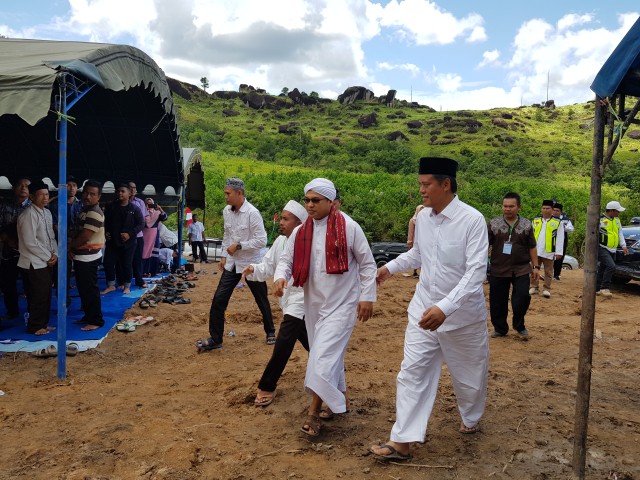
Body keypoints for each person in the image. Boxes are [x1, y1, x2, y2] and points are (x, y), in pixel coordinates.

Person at [370, 157, 489, 462]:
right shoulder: (423, 217)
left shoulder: (472, 221)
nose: (421, 190)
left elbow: (475, 273)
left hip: (462, 319)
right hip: (423, 311)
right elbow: (418, 254)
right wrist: (390, 268)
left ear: (445, 184)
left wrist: (446, 308)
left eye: (426, 184)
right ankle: (403, 442)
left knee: (469, 380)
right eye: (420, 184)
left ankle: (471, 417)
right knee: (411, 373)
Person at [274, 178, 376, 437]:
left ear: (331, 202)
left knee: (321, 358)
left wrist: (367, 296)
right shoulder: (300, 232)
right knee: (330, 355)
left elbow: (366, 264)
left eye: (316, 200)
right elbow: (286, 259)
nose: (309, 205)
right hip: (314, 304)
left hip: (343, 304)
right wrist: (279, 277)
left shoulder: (350, 228)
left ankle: (313, 413)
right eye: (307, 200)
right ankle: (338, 398)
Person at [242, 200, 309, 408]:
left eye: (285, 219)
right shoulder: (281, 241)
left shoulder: (309, 242)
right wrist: (254, 269)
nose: (281, 222)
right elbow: (270, 264)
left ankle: (267, 385)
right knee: (311, 343)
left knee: (284, 340)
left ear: (299, 223)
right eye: (281, 218)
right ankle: (332, 368)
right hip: (288, 300)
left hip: (303, 299)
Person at [195, 178, 275, 351]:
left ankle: (270, 331)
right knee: (219, 300)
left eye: (228, 193)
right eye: (225, 193)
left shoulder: (253, 213)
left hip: (251, 263)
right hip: (233, 263)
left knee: (261, 299)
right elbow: (227, 234)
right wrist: (224, 255)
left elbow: (261, 240)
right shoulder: (226, 211)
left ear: (239, 193)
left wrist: (239, 246)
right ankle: (216, 338)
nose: (225, 197)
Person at [488, 192, 539, 338]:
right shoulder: (493, 224)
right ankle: (500, 328)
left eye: (511, 206)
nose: (507, 209)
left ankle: (519, 325)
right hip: (498, 268)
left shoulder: (527, 225)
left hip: (521, 268)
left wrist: (535, 267)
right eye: (505, 206)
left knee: (522, 298)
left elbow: (532, 246)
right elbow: (484, 245)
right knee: (497, 301)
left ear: (519, 207)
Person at [17, 180, 58, 335]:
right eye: (41, 195)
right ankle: (35, 326)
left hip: (46, 259)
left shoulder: (46, 212)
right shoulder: (28, 214)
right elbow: (30, 242)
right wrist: (48, 256)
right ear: (33, 197)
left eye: (47, 194)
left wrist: (55, 254)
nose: (45, 197)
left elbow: (51, 237)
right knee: (38, 294)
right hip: (34, 261)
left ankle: (43, 323)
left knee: (46, 292)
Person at [68, 180, 105, 331]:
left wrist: (68, 247)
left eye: (92, 194)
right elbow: (77, 231)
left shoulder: (94, 212)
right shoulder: (85, 209)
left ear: (99, 197)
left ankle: (96, 320)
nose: (88, 196)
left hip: (88, 257)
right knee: (83, 288)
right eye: (86, 193)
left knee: (90, 289)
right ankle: (88, 316)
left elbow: (84, 236)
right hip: (81, 255)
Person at [101, 183, 144, 295]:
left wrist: (130, 234)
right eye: (118, 191)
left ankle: (127, 286)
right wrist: (106, 232)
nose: (120, 193)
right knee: (108, 263)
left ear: (129, 193)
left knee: (127, 264)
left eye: (122, 191)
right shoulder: (111, 207)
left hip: (129, 243)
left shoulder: (135, 208)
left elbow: (141, 224)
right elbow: (105, 221)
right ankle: (111, 285)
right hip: (112, 241)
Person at [0, 177, 31, 324]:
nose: (23, 188)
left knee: (30, 283)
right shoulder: (4, 205)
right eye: (20, 185)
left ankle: (33, 313)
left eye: (26, 186)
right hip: (8, 251)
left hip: (27, 251)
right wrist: (7, 238)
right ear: (14, 188)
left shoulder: (33, 207)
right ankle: (12, 312)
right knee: (8, 283)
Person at [49, 175, 83, 306]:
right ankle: (64, 305)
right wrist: (67, 245)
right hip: (62, 245)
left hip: (79, 244)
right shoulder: (56, 205)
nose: (71, 188)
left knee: (83, 275)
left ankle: (84, 305)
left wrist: (76, 243)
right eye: (68, 185)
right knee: (62, 277)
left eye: (74, 185)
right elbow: (56, 226)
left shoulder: (81, 204)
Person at [530, 200, 564, 298]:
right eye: (544, 208)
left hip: (549, 250)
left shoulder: (558, 222)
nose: (545, 210)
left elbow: (560, 238)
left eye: (548, 208)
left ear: (552, 210)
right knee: (534, 269)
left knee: (548, 271)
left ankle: (546, 288)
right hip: (536, 250)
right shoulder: (536, 220)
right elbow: (531, 236)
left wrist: (558, 252)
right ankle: (534, 286)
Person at [596, 201, 629, 297]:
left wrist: (623, 245)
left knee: (603, 268)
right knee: (611, 266)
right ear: (611, 210)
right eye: (617, 211)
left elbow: (620, 233)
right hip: (602, 247)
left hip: (613, 249)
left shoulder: (617, 220)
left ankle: (597, 288)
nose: (619, 213)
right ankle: (604, 288)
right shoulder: (600, 220)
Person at [128, 181, 149, 289]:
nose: (132, 190)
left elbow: (143, 220)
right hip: (125, 235)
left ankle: (139, 280)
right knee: (125, 259)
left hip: (138, 234)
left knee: (138, 259)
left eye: (134, 188)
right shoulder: (122, 202)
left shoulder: (140, 202)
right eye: (130, 188)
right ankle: (124, 281)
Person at [142, 198, 167, 276]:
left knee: (154, 253)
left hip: (154, 235)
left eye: (151, 204)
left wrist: (160, 209)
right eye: (147, 203)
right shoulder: (143, 212)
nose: (149, 205)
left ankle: (154, 272)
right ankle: (144, 271)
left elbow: (165, 218)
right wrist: (145, 209)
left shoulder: (157, 213)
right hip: (144, 234)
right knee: (144, 253)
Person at [552, 203, 574, 281]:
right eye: (554, 210)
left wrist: (561, 226)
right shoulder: (549, 219)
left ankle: (556, 275)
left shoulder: (565, 219)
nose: (555, 212)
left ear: (561, 212)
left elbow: (571, 229)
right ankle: (548, 273)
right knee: (549, 256)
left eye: (557, 211)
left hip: (562, 240)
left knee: (559, 257)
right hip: (551, 240)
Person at [407, 204, 425, 278]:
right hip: (415, 241)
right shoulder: (412, 221)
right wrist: (410, 241)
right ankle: (415, 272)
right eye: (420, 210)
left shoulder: (425, 220)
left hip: (424, 241)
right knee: (415, 256)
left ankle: (423, 272)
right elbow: (410, 232)